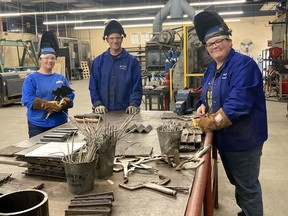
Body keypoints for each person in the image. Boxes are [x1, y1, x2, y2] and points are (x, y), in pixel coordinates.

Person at [193, 11, 268, 216]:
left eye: (219, 41)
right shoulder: (211, 68)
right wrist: (202, 105)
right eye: (210, 44)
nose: (215, 46)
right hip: (225, 140)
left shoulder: (244, 65)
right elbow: (207, 93)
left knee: (247, 186)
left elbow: (238, 104)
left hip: (244, 140)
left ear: (229, 41)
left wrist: (208, 123)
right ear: (206, 48)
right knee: (238, 182)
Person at [89, 19, 142, 114]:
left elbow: (137, 87)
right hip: (104, 112)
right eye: (112, 38)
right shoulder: (98, 62)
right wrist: (97, 103)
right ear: (107, 40)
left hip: (126, 112)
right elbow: (93, 86)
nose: (115, 41)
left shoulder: (132, 62)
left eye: (118, 38)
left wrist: (134, 104)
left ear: (122, 39)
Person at [22, 44, 75, 138]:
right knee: (38, 151)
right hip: (38, 125)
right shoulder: (31, 78)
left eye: (52, 58)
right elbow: (27, 99)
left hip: (60, 123)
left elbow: (70, 96)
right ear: (40, 60)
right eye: (46, 58)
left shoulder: (61, 78)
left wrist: (64, 103)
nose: (49, 61)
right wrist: (47, 105)